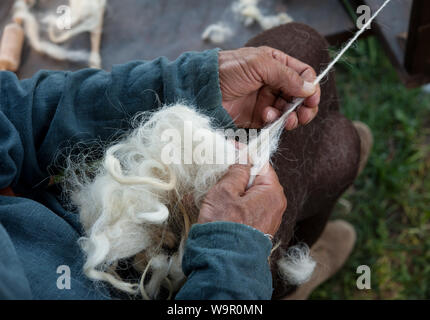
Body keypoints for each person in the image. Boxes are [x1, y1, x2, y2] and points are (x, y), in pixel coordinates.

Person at [0, 23, 371, 299]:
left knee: (301, 46)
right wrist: (234, 255)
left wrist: (194, 85)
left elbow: (14, 112)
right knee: (342, 149)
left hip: (76, 218)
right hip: (155, 286)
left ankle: (289, 254)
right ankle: (283, 282)